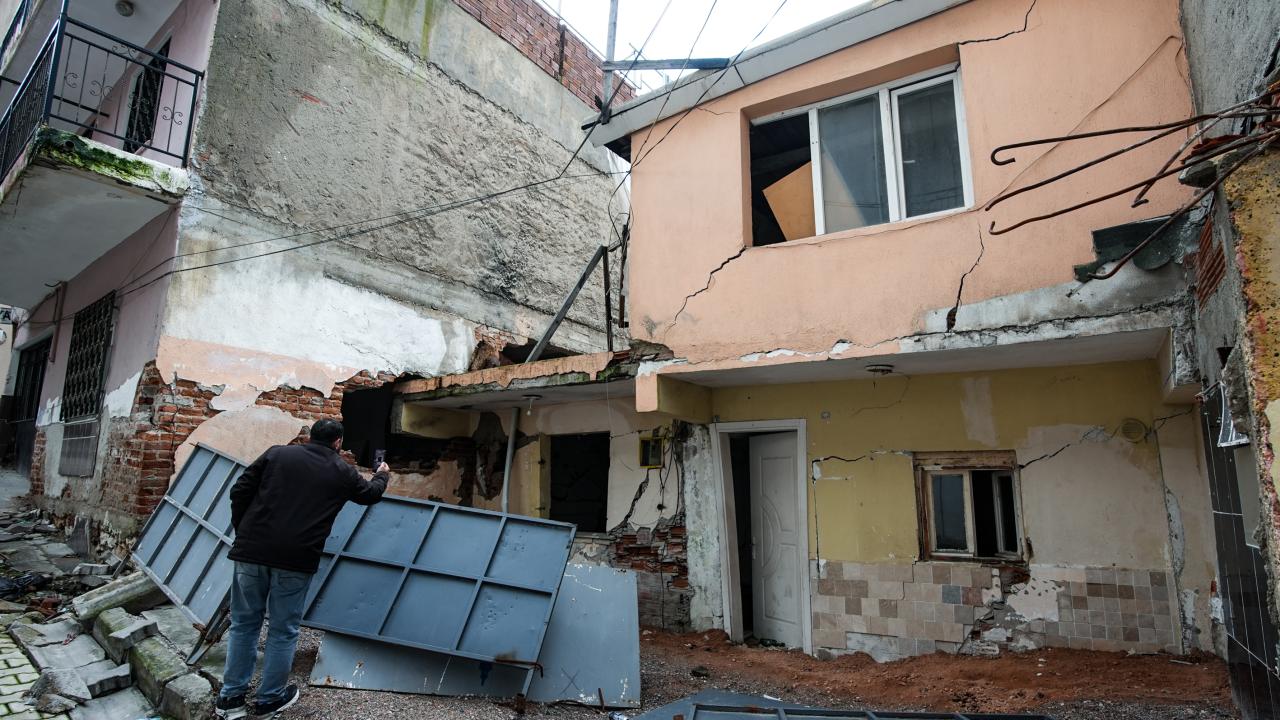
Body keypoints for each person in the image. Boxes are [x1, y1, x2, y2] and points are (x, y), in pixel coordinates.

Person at [215, 419, 389, 719]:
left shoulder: (277, 454)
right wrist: (382, 476)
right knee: (283, 630)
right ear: (338, 442)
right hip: (296, 559)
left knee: (244, 625)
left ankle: (231, 699)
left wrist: (244, 530)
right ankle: (269, 700)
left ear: (309, 437)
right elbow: (369, 495)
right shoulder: (342, 471)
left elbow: (239, 490)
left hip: (251, 552)